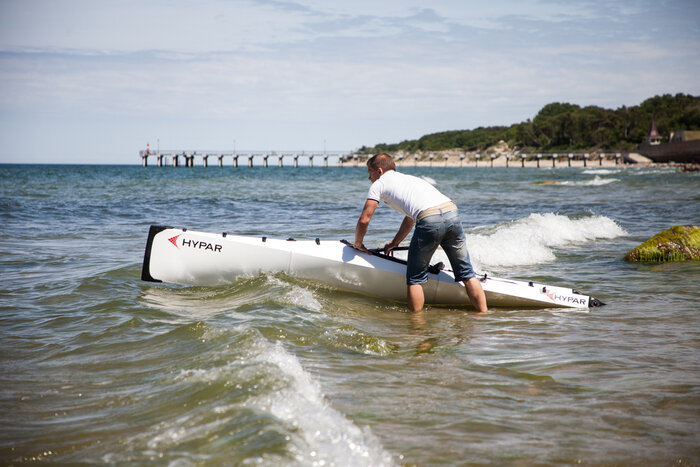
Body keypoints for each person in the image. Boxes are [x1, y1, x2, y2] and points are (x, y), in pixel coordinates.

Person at [353, 153, 488, 313]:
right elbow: (411, 219)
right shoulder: (411, 179)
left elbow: (364, 219)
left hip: (430, 219)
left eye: (370, 172)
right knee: (467, 274)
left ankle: (417, 326)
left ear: (379, 171)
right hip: (452, 212)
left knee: (414, 279)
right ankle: (483, 315)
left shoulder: (379, 184)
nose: (369, 178)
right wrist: (396, 242)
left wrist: (358, 243)